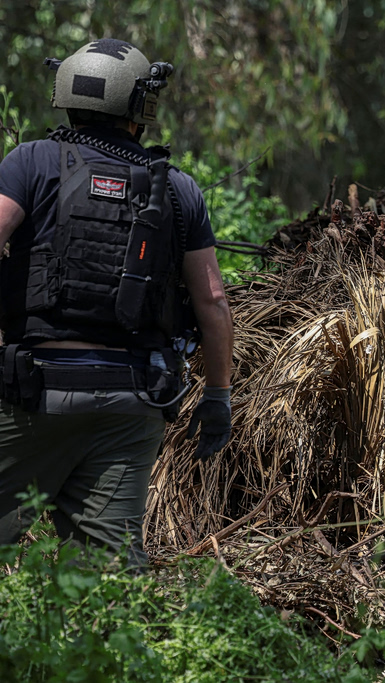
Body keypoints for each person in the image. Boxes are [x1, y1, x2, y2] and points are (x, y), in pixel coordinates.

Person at [0, 38, 234, 565]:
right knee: (106, 577)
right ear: (140, 107)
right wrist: (218, 395)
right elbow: (213, 300)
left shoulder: (31, 162)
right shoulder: (178, 189)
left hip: (33, 392)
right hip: (133, 401)